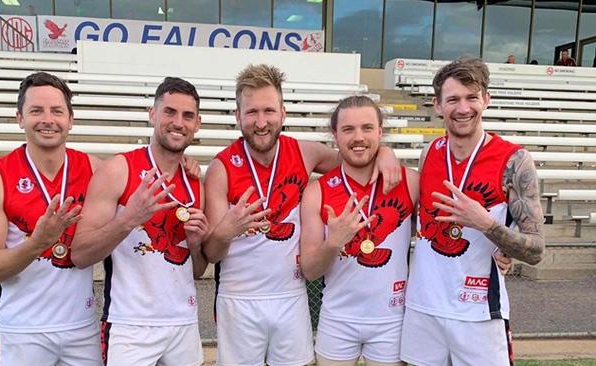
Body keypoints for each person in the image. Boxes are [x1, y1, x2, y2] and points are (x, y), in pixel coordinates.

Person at [202, 64, 401, 366]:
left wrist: (386, 152)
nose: (260, 122)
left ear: (282, 113)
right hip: (240, 298)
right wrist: (226, 230)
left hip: (291, 294)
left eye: (268, 111)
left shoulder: (305, 153)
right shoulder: (222, 167)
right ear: (237, 116)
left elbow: (355, 155)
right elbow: (212, 254)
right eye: (251, 112)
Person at [400, 57, 545, 366]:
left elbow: (536, 250)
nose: (463, 108)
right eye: (453, 99)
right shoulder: (429, 153)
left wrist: (487, 225)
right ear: (438, 105)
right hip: (423, 307)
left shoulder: (514, 161)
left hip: (479, 311)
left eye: (471, 97)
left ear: (486, 100)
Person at [70, 77, 209, 366]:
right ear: (152, 114)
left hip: (183, 322)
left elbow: (195, 270)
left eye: (187, 116)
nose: (178, 122)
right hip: (130, 325)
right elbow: (80, 253)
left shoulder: (195, 181)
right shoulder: (118, 170)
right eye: (169, 112)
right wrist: (128, 219)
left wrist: (196, 246)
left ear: (197, 124)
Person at [0, 72, 102, 365]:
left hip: (81, 327)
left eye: (57, 111)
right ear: (20, 118)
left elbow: (139, 180)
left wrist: (182, 164)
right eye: (36, 111)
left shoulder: (93, 168)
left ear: (70, 119)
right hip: (22, 329)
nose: (48, 119)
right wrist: (38, 243)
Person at [300, 95, 418, 366]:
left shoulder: (410, 181)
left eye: (367, 128)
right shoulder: (317, 192)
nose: (358, 137)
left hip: (392, 318)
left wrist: (498, 250)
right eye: (348, 129)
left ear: (380, 131)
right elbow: (310, 270)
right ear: (335, 135)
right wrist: (333, 244)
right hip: (338, 318)